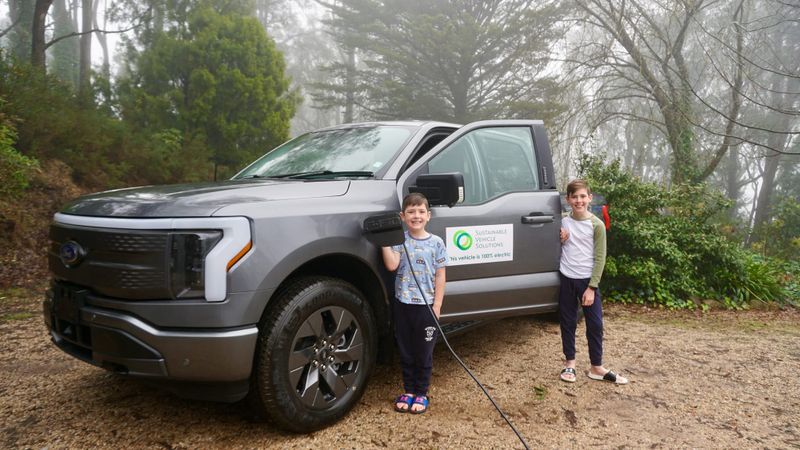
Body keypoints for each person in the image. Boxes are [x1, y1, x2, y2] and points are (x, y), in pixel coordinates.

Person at [382, 192, 447, 413]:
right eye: (411, 211)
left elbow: (440, 275)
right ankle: (409, 390)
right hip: (403, 305)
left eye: (421, 211)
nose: (416, 216)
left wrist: (437, 305)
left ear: (428, 215)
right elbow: (392, 265)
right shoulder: (400, 241)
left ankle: (421, 392)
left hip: (426, 307)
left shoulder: (437, 243)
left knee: (424, 351)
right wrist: (383, 243)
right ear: (402, 216)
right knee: (406, 350)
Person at [558, 179, 628, 385]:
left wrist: (591, 288)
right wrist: (559, 238)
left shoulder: (596, 225)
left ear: (590, 198)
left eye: (582, 196)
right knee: (568, 322)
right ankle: (569, 363)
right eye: (574, 196)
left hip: (587, 282)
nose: (579, 200)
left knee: (595, 324)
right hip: (566, 278)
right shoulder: (561, 221)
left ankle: (596, 367)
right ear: (568, 199)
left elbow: (600, 258)